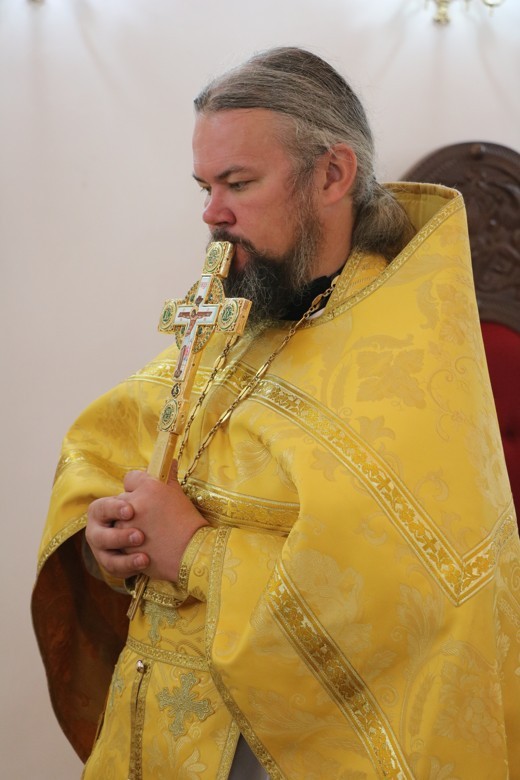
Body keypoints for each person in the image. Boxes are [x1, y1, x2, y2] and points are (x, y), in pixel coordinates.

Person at [32, 47, 520, 779]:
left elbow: (406, 604)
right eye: (204, 187)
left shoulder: (406, 361)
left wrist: (195, 553)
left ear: (332, 175)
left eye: (238, 183)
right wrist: (108, 536)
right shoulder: (244, 312)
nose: (212, 213)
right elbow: (117, 445)